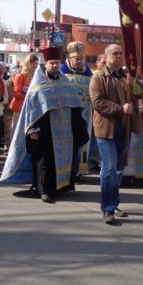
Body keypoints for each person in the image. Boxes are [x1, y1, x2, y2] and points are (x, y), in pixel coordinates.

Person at [0, 46, 88, 202]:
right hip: (44, 130)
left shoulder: (66, 83)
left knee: (63, 159)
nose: (54, 65)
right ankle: (44, 190)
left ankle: (60, 187)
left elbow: (75, 106)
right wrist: (32, 129)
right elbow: (30, 109)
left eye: (57, 63)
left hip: (64, 130)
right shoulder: (38, 84)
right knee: (44, 161)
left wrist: (78, 128)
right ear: (46, 64)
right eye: (51, 63)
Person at [90, 44, 140, 224]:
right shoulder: (98, 77)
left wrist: (135, 85)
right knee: (109, 167)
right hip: (105, 129)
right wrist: (121, 109)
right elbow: (97, 102)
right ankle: (108, 208)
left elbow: (139, 95)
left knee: (119, 169)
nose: (119, 57)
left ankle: (113, 202)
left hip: (123, 129)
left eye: (121, 54)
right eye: (115, 54)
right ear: (107, 56)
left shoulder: (126, 77)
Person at [61, 41, 93, 182]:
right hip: (67, 114)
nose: (79, 61)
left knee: (83, 141)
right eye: (76, 59)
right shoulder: (63, 73)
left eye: (81, 59)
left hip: (85, 113)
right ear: (70, 59)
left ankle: (79, 170)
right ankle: (65, 170)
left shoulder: (89, 74)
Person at [9, 53, 38, 135]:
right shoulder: (20, 76)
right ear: (27, 63)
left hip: (32, 108)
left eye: (36, 63)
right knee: (17, 132)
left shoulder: (37, 76)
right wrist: (29, 94)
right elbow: (16, 94)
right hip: (20, 108)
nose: (34, 65)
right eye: (32, 62)